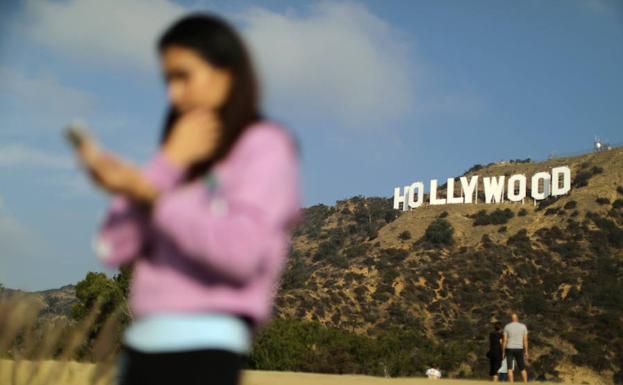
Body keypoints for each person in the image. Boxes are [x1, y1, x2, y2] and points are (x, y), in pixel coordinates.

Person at [72, 13, 302, 385]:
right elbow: (112, 246)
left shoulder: (266, 148)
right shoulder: (179, 157)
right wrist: (166, 163)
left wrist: (150, 195)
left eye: (183, 76)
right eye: (168, 80)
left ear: (226, 72)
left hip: (204, 353)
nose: (173, 94)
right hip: (140, 348)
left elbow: (240, 253)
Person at [502, 313, 529, 383]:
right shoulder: (523, 326)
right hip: (519, 348)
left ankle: (511, 383)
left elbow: (504, 340)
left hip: (509, 348)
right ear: (517, 318)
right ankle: (525, 383)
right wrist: (526, 351)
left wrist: (503, 352)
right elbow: (525, 340)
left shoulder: (507, 327)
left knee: (509, 368)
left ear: (511, 319)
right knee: (522, 367)